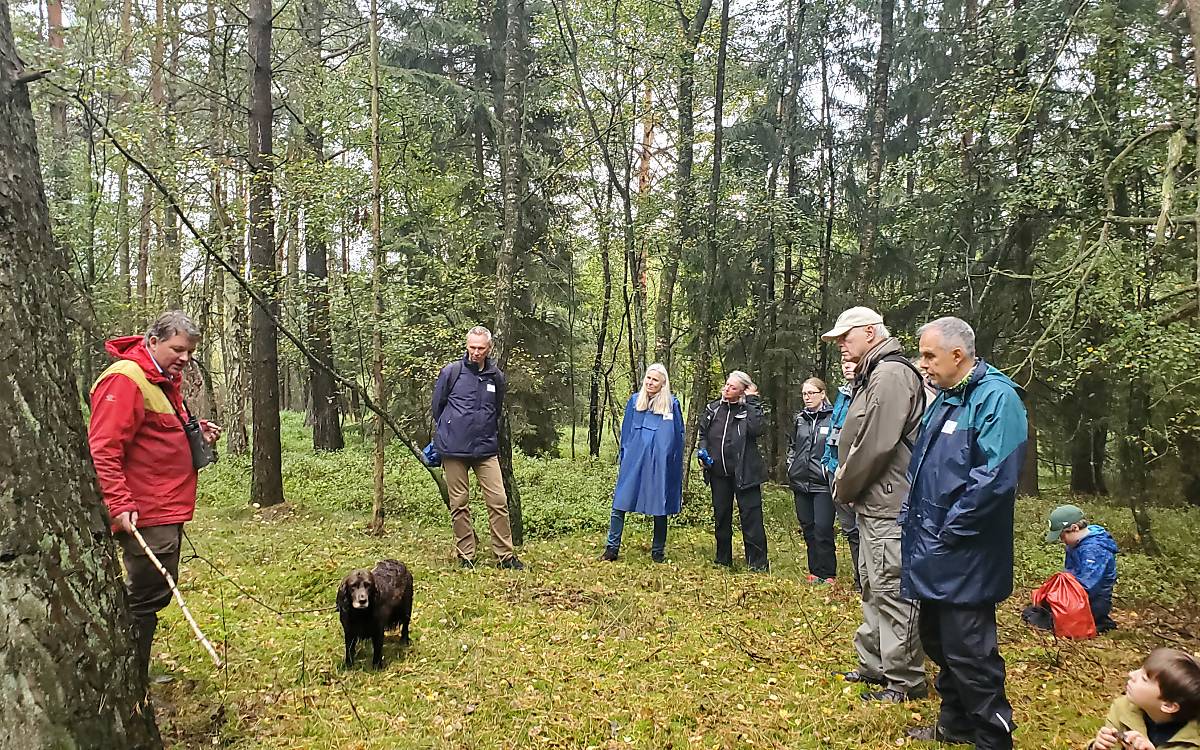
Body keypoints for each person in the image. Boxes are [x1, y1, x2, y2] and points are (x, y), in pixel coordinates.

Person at [902, 316, 1027, 749]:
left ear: (958, 356)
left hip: (966, 554)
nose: (923, 364)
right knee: (938, 641)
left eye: (929, 355)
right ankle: (954, 723)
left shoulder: (997, 399)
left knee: (970, 651)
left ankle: (993, 737)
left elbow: (994, 480)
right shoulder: (947, 398)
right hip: (936, 548)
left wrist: (950, 530)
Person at [88, 310, 223, 679]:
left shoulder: (162, 379)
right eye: (178, 349)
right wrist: (118, 503)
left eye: (190, 353)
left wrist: (193, 430)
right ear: (153, 341)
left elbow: (156, 430)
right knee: (145, 595)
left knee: (156, 590)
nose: (185, 358)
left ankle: (135, 674)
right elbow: (103, 449)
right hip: (144, 511)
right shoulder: (125, 380)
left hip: (167, 507)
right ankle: (128, 680)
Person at [821, 306, 926, 702]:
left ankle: (904, 681)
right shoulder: (873, 375)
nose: (842, 347)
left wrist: (843, 486)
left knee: (892, 589)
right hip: (872, 503)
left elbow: (875, 444)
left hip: (889, 504)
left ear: (870, 333)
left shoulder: (891, 375)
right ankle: (875, 665)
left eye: (846, 338)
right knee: (872, 585)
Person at [431, 326, 524, 570]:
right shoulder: (451, 372)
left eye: (480, 348)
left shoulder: (496, 377)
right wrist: (450, 430)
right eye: (472, 347)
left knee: (498, 500)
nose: (475, 352)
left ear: (489, 349)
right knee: (459, 503)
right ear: (466, 346)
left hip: (485, 449)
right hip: (454, 450)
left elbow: (497, 408)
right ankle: (466, 556)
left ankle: (505, 557)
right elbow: (437, 408)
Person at [600, 364, 684, 563]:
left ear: (663, 383)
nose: (650, 382)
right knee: (620, 503)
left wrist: (670, 464)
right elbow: (627, 432)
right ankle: (611, 549)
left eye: (655, 379)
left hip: (659, 464)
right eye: (648, 378)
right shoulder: (634, 402)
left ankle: (658, 551)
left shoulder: (672, 404)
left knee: (659, 505)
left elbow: (677, 437)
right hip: (634, 460)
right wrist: (625, 456)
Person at [697, 371, 770, 572]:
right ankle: (723, 559)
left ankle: (757, 563)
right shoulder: (713, 408)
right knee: (721, 516)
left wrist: (753, 400)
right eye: (726, 385)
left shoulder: (748, 410)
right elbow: (703, 432)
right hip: (718, 473)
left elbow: (757, 429)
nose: (726, 389)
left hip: (745, 472)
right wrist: (702, 451)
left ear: (742, 392)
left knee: (751, 518)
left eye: (732, 387)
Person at [1090, 649, 1200, 750]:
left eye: (1144, 678)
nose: (1131, 674)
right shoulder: (1123, 709)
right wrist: (1097, 746)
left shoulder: (1193, 743)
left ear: (1168, 706)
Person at [787, 377, 836, 583]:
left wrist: (829, 471)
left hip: (822, 483)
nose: (807, 398)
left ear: (822, 394)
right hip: (801, 481)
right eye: (805, 394)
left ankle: (828, 573)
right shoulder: (800, 419)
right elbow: (792, 445)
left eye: (811, 393)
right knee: (808, 528)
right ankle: (815, 571)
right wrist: (791, 466)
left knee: (823, 528)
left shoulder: (832, 418)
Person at [1045, 503, 1119, 632]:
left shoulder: (1094, 550)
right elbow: (1069, 573)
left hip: (1093, 601)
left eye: (1062, 536)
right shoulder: (1075, 544)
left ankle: (1098, 621)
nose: (1062, 540)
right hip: (1076, 593)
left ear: (1074, 528)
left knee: (1048, 619)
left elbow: (1087, 586)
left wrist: (1060, 599)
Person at [821, 359, 861, 590]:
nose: (846, 366)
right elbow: (834, 432)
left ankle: (867, 580)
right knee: (850, 529)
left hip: (853, 471)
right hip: (834, 468)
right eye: (843, 363)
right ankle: (859, 579)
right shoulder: (843, 394)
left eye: (852, 363)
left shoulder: (866, 393)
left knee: (862, 527)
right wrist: (827, 462)